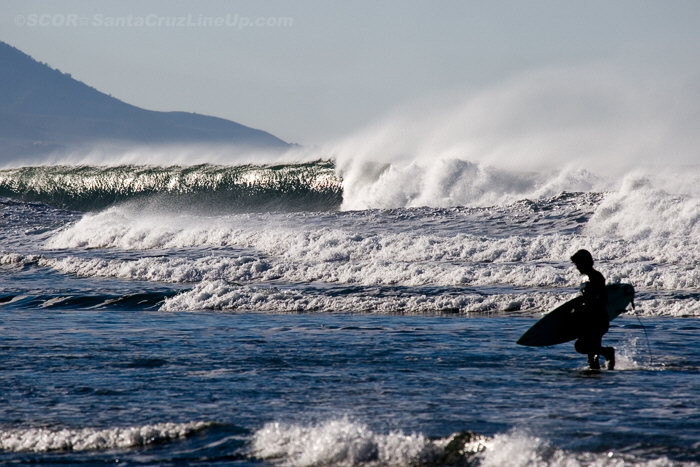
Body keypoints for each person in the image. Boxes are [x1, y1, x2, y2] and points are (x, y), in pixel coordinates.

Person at [570, 249, 615, 370]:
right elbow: (585, 298)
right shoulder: (587, 278)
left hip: (597, 320)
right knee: (592, 357)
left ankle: (608, 352)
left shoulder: (596, 277)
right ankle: (603, 371)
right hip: (589, 320)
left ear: (586, 262)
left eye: (578, 264)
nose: (577, 268)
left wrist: (581, 308)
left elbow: (600, 300)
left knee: (581, 346)